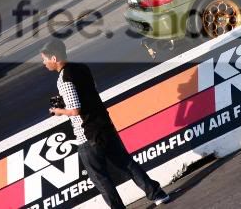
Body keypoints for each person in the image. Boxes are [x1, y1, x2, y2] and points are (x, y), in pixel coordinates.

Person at [41, 38, 170, 208]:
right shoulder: (82, 68)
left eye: (45, 59)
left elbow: (75, 111)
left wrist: (59, 111)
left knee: (100, 179)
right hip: (105, 125)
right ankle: (158, 194)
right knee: (127, 164)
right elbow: (91, 92)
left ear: (54, 58)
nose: (44, 63)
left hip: (87, 136)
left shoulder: (63, 79)